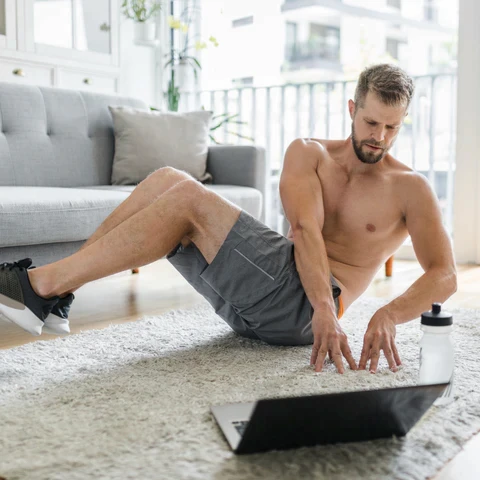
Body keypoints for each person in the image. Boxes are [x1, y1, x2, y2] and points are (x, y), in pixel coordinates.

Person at [0, 64, 456, 374]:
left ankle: (40, 285)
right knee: (166, 180)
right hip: (285, 292)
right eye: (372, 123)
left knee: (189, 200)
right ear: (352, 109)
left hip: (307, 313)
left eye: (392, 127)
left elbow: (445, 274)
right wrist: (320, 306)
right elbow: (305, 232)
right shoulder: (309, 153)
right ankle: (60, 291)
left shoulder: (409, 188)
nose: (379, 138)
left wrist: (388, 314)